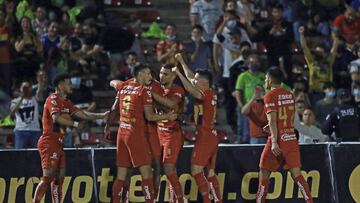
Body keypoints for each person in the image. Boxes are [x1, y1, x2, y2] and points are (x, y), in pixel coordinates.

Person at [104, 64, 177, 203]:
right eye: (148, 74)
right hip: (135, 135)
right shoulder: (144, 91)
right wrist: (168, 117)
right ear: (140, 74)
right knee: (147, 173)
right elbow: (149, 117)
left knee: (121, 175)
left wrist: (107, 126)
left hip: (122, 133)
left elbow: (114, 88)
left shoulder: (124, 86)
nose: (151, 77)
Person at [32, 73, 109, 203]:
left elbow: (83, 114)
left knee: (59, 178)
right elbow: (56, 118)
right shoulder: (53, 99)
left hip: (59, 142)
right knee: (47, 177)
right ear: (60, 85)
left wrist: (101, 115)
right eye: (68, 83)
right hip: (49, 141)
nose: (71, 85)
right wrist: (75, 124)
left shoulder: (66, 102)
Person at [256, 67, 313, 203]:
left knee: (263, 173)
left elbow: (273, 120)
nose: (265, 81)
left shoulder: (269, 96)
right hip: (291, 137)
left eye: (265, 78)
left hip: (277, 139)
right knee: (297, 176)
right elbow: (287, 118)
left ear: (269, 80)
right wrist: (270, 126)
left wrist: (275, 142)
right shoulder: (290, 94)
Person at [174, 53, 222, 203]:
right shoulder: (209, 92)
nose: (193, 80)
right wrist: (182, 61)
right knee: (211, 172)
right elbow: (191, 79)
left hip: (205, 136)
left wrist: (178, 73)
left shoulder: (205, 94)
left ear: (203, 82)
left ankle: (207, 200)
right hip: (212, 135)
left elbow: (189, 87)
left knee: (196, 171)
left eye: (196, 79)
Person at [151, 64, 186, 202]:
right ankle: (154, 199)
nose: (161, 76)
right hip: (158, 133)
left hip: (172, 134)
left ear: (173, 76)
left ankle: (180, 199)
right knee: (156, 169)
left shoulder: (178, 90)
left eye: (165, 74)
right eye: (160, 73)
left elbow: (170, 104)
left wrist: (153, 98)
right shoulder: (157, 88)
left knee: (169, 169)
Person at [10, 81, 41, 149]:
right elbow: (12, 112)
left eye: (28, 87)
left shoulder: (35, 99)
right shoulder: (15, 101)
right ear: (20, 89)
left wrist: (40, 81)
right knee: (19, 154)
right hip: (21, 130)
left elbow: (40, 90)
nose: (26, 89)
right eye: (24, 87)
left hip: (35, 131)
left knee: (37, 154)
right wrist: (22, 97)